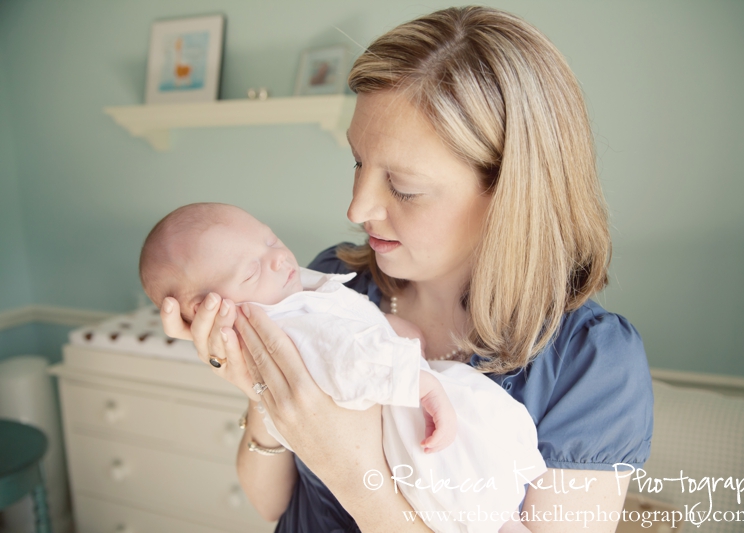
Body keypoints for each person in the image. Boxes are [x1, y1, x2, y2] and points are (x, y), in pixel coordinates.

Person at [159, 6, 653, 532]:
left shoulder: (591, 367)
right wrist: (259, 386)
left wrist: (351, 470)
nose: (357, 208)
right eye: (357, 162)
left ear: (511, 194)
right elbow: (275, 507)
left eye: (404, 187)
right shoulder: (334, 285)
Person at [139, 202, 546, 532]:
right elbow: (344, 359)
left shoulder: (295, 286)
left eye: (270, 239)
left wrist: (389, 328)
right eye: (251, 270)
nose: (278, 258)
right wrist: (415, 381)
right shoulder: (279, 320)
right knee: (451, 481)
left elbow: (345, 319)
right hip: (399, 422)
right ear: (209, 307)